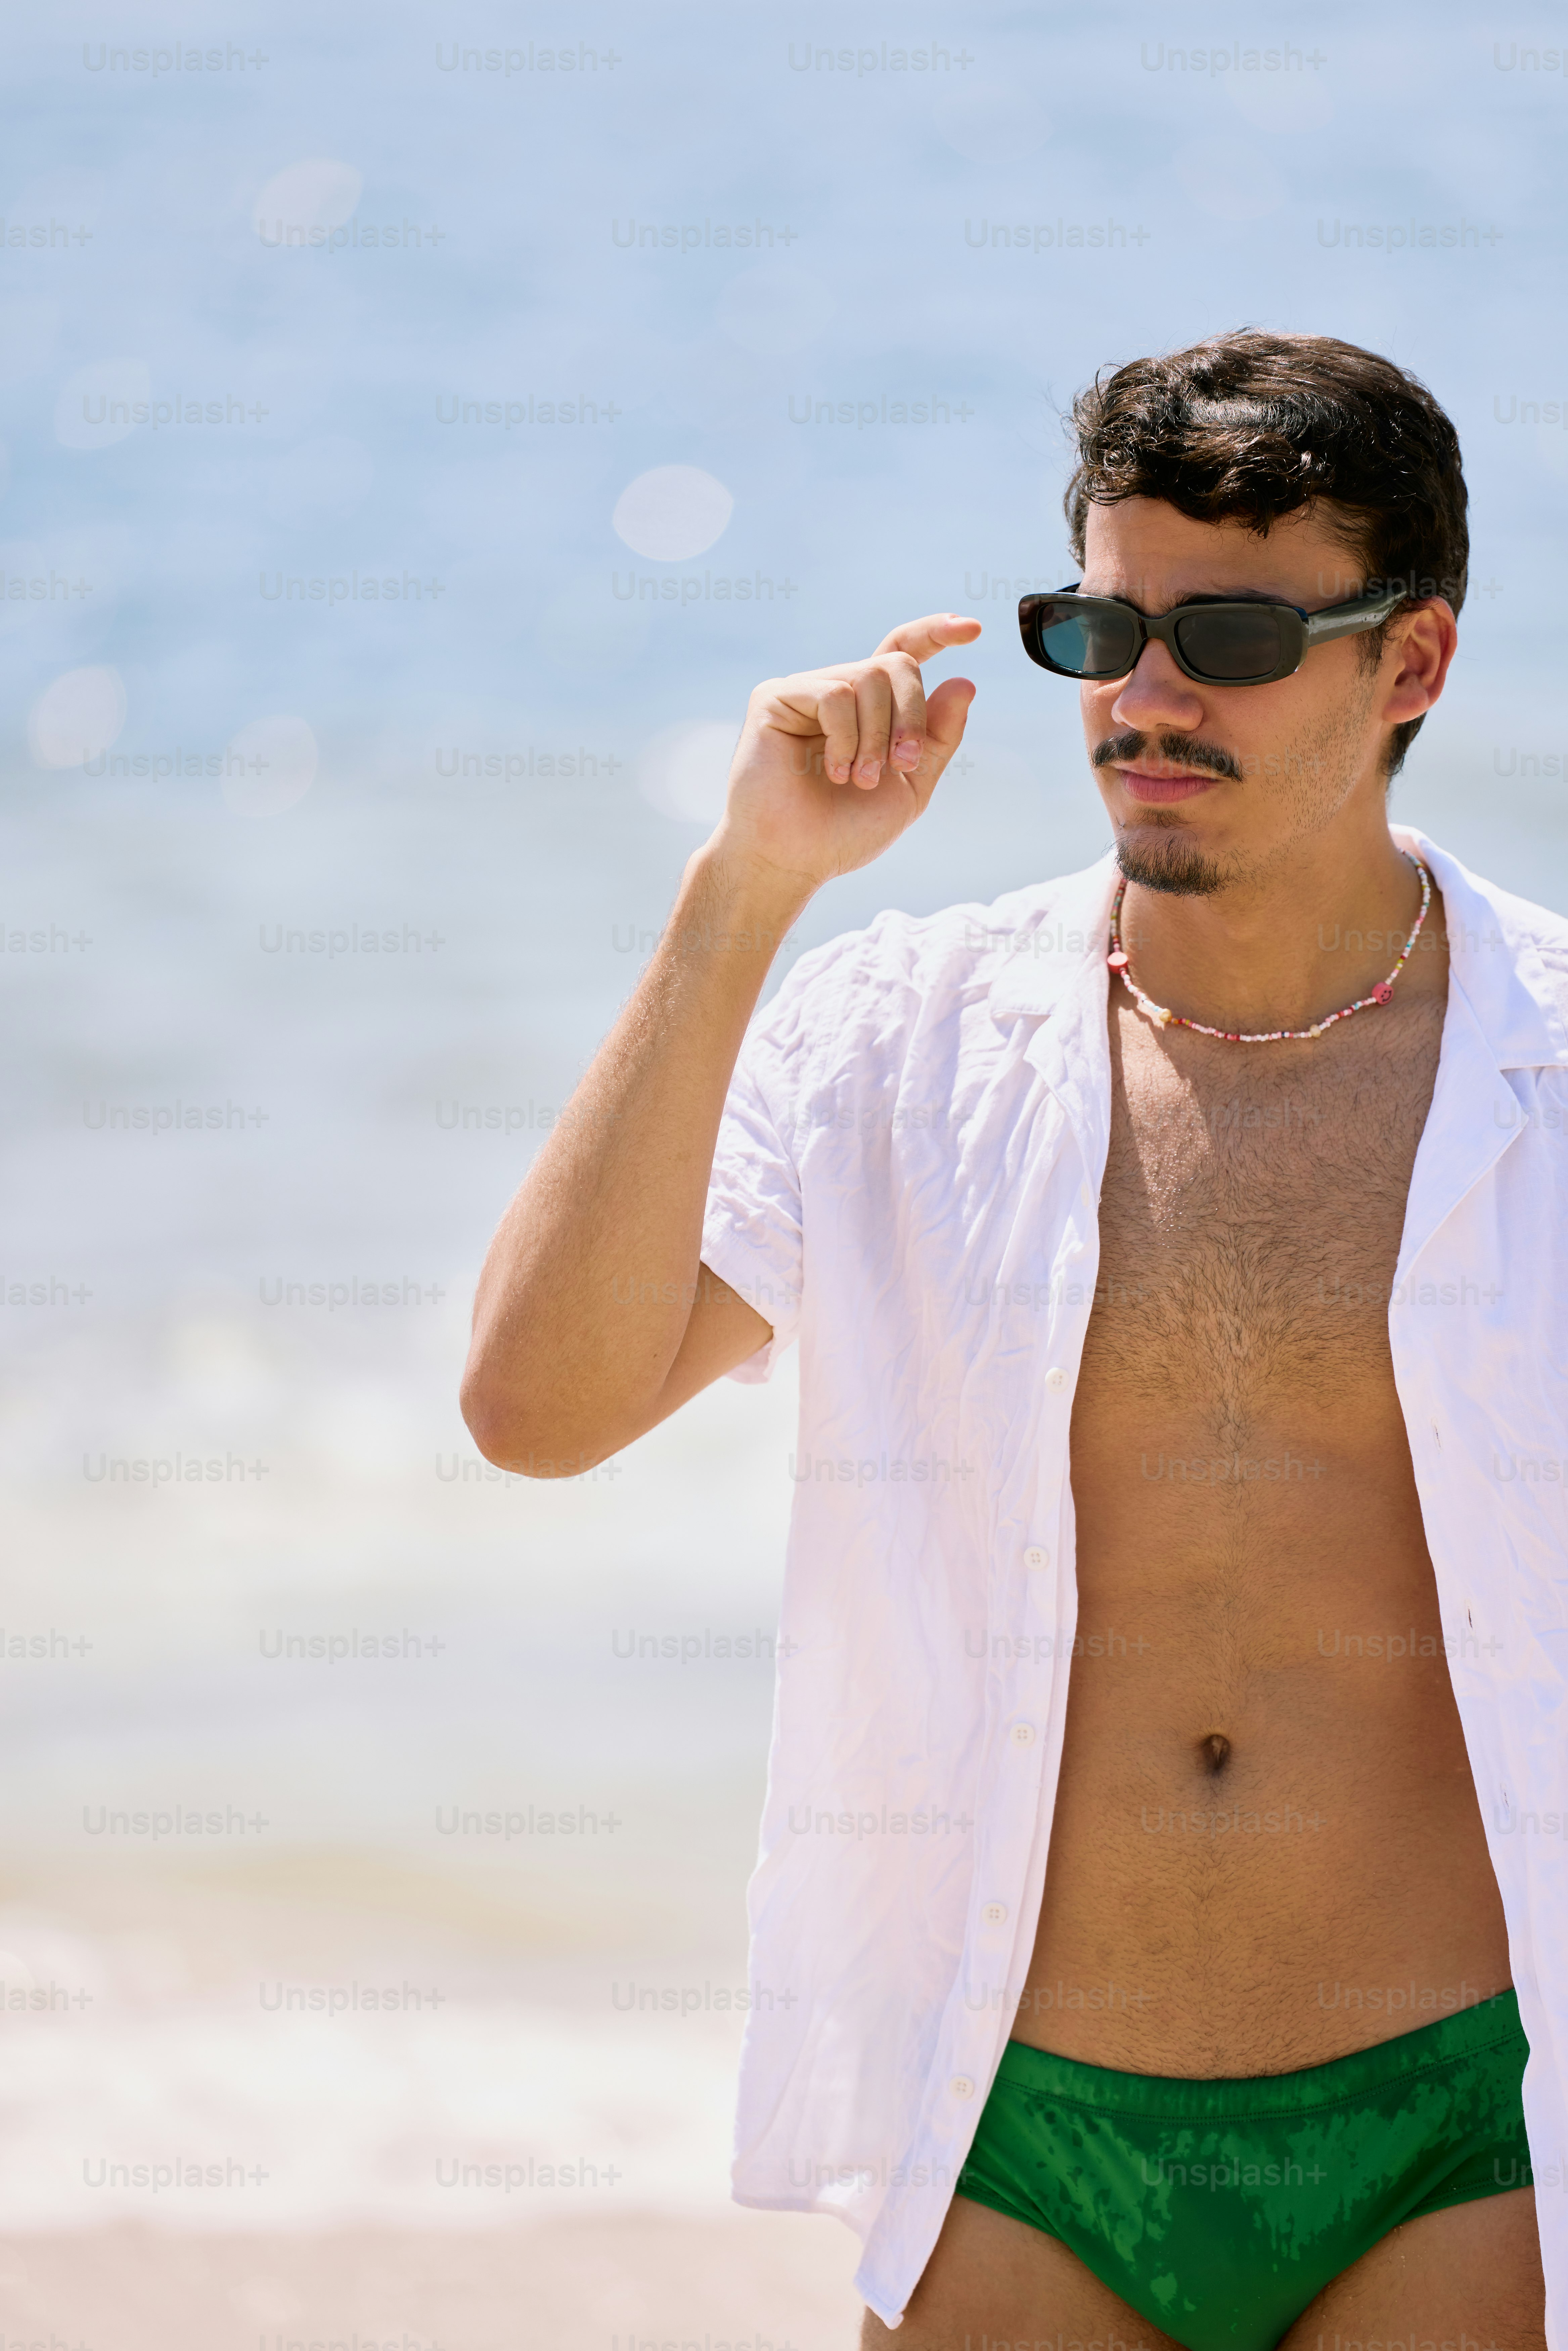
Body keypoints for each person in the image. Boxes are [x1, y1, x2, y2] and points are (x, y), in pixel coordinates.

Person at [461, 331, 1568, 2351]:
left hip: (1459, 2132)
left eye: (1230, 637)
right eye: (1105, 631)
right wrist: (747, 892)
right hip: (1016, 2131)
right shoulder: (902, 1040)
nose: (1146, 700)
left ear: (1410, 664)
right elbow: (540, 1407)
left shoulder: (1548, 1070)